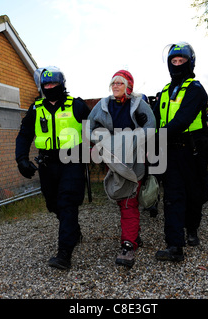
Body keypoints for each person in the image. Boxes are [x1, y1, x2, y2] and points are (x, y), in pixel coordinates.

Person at [15, 66, 91, 270]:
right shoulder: (35, 108)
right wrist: (21, 159)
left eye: (54, 84)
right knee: (53, 204)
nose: (50, 87)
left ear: (62, 84)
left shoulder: (77, 105)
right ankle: (73, 230)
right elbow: (24, 135)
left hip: (72, 161)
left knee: (67, 203)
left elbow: (94, 131)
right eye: (46, 84)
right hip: (48, 164)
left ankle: (64, 254)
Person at [87, 70, 155, 267]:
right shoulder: (103, 105)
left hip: (136, 159)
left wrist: (134, 138)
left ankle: (128, 245)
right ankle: (134, 235)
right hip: (114, 158)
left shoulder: (138, 103)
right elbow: (88, 128)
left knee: (128, 201)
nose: (115, 86)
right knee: (124, 200)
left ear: (129, 86)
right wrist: (101, 139)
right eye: (113, 83)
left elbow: (151, 126)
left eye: (120, 83)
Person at [153, 42, 208, 261]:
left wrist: (158, 136)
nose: (177, 65)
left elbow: (183, 119)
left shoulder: (195, 89)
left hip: (192, 150)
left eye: (181, 61)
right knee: (172, 197)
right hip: (170, 151)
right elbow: (158, 120)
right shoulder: (165, 92)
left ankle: (192, 229)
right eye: (174, 62)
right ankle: (174, 245)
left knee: (195, 195)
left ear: (190, 63)